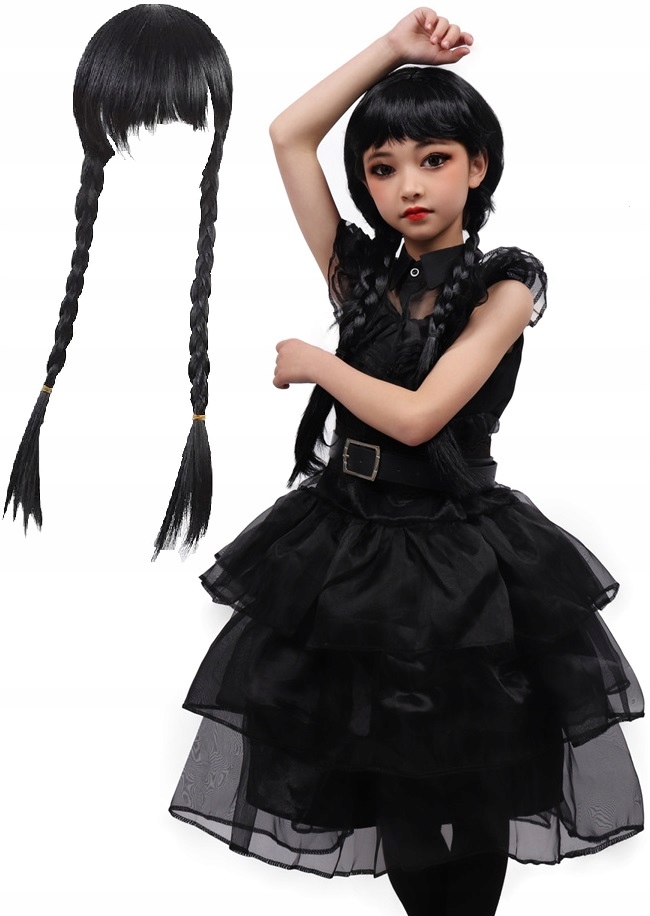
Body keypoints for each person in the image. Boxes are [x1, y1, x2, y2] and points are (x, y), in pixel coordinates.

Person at [168, 9, 643, 915]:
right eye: (382, 168)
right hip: (350, 546)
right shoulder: (363, 275)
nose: (408, 186)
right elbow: (289, 135)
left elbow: (422, 419)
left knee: (471, 782)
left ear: (478, 167)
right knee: (393, 788)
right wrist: (392, 49)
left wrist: (319, 364)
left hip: (455, 559)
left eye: (434, 160)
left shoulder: (506, 284)